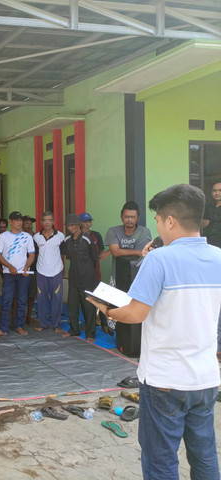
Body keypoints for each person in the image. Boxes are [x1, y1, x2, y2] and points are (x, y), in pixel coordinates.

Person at [87, 184, 221, 480]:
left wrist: (106, 309)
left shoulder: (160, 259)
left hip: (166, 380)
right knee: (205, 455)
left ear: (170, 220)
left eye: (158, 221)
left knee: (160, 459)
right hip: (206, 378)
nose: (157, 227)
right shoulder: (218, 257)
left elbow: (135, 313)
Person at [0, 211, 35, 337]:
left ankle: (19, 326)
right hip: (8, 274)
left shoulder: (27, 237)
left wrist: (26, 267)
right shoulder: (3, 236)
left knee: (22, 301)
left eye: (20, 220)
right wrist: (9, 266)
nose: (19, 222)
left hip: (23, 274)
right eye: (16, 220)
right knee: (7, 301)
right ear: (10, 222)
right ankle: (3, 328)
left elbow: (32, 255)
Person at [61, 214, 99, 342]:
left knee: (89, 307)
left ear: (78, 225)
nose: (71, 228)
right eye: (68, 226)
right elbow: (64, 254)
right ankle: (74, 330)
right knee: (72, 305)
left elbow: (95, 258)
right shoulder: (67, 241)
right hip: (73, 278)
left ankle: (90, 334)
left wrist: (90, 273)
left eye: (73, 225)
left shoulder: (87, 240)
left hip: (87, 278)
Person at [103, 201, 152, 292]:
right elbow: (116, 252)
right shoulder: (113, 231)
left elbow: (142, 255)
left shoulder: (144, 232)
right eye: (126, 217)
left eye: (133, 217)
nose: (129, 220)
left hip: (139, 277)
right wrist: (136, 252)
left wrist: (118, 249)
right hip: (118, 276)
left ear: (138, 218)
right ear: (121, 217)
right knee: (118, 303)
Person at [32, 212, 65, 333]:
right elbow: (34, 254)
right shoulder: (36, 237)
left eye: (49, 220)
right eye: (45, 220)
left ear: (53, 222)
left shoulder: (60, 236)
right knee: (42, 299)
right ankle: (43, 324)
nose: (47, 222)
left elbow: (62, 252)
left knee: (57, 298)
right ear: (41, 222)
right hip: (41, 271)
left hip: (56, 271)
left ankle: (57, 325)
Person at [80, 213, 104, 281]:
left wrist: (97, 259)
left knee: (95, 284)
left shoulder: (96, 235)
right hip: (81, 266)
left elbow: (101, 250)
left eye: (89, 221)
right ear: (79, 223)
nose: (88, 224)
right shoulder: (77, 236)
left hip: (95, 266)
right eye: (85, 222)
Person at [202, 181, 221, 248]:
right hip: (208, 243)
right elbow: (204, 223)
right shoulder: (208, 206)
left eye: (220, 190)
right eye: (214, 191)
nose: (217, 193)